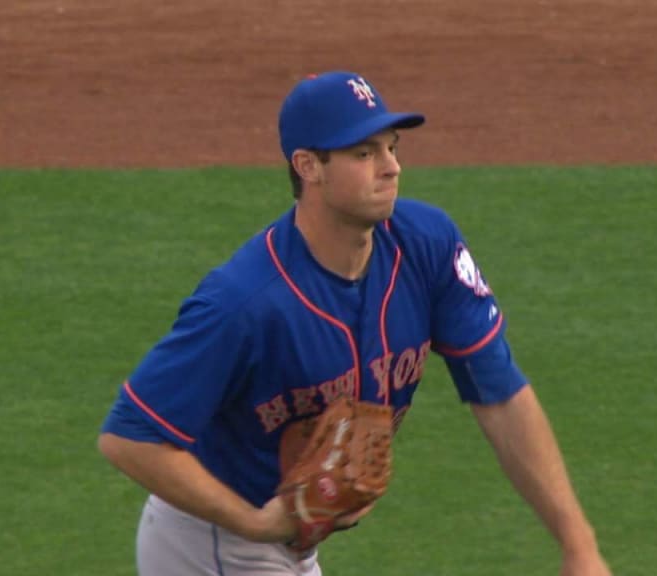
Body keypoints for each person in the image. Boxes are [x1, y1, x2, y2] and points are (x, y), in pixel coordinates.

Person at [98, 70, 612, 576]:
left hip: (291, 548)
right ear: (308, 166)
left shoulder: (426, 246)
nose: (390, 168)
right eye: (364, 153)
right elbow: (130, 436)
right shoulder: (245, 303)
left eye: (392, 147)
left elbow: (500, 396)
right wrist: (254, 524)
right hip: (212, 545)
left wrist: (578, 545)